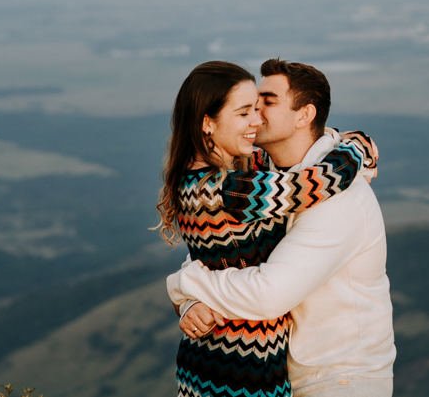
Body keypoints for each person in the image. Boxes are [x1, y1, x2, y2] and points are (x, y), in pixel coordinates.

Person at [168, 59, 396, 397]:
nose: (257, 116)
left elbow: (267, 295)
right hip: (280, 376)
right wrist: (355, 148)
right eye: (249, 107)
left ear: (304, 116)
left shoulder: (339, 200)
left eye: (267, 103)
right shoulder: (254, 180)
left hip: (339, 380)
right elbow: (216, 252)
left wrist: (184, 285)